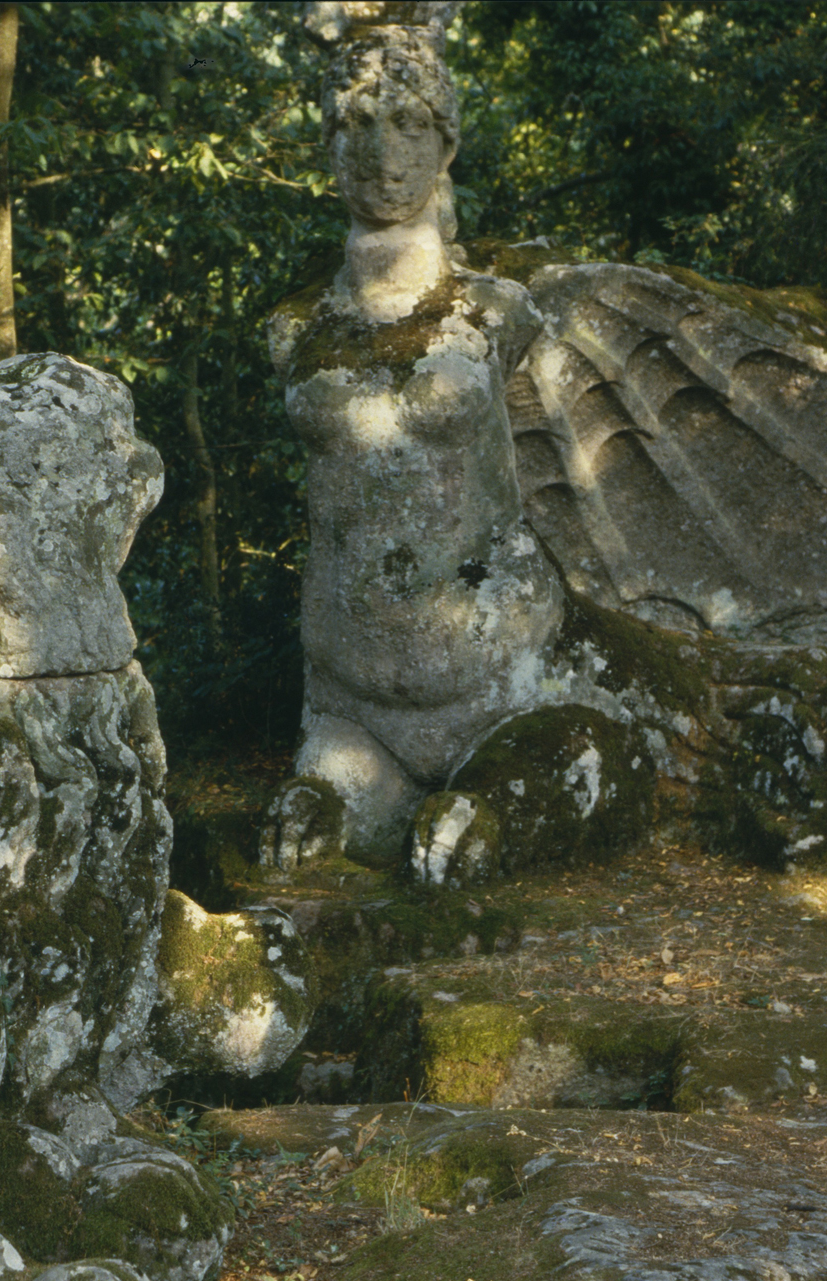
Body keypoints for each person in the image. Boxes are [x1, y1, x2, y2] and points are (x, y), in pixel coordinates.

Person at [268, 24, 561, 863]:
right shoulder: (297, 327)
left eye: (408, 124)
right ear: (329, 141)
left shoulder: (496, 311)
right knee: (304, 848)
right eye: (358, 123)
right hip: (349, 692)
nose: (383, 151)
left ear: (446, 142)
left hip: (504, 666)